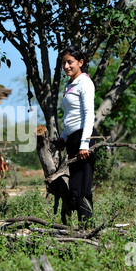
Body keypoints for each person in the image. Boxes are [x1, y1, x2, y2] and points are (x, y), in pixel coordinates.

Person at [52, 45, 97, 230]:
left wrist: (84, 143)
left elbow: (88, 114)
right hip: (73, 138)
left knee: (82, 188)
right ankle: (81, 227)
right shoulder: (71, 84)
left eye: (70, 62)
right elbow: (70, 117)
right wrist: (63, 137)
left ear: (80, 62)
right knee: (75, 187)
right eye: (64, 63)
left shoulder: (85, 82)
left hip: (83, 138)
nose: (66, 66)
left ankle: (87, 229)